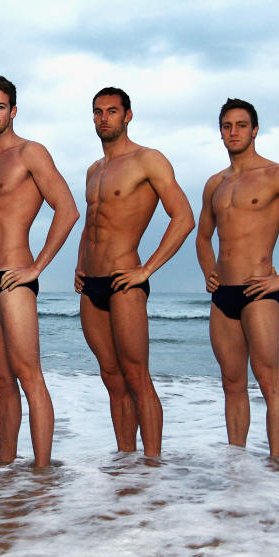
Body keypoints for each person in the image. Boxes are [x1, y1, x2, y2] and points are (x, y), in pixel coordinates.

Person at [196, 98, 279, 458]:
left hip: (259, 291)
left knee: (270, 382)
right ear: (220, 133)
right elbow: (203, 236)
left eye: (241, 125)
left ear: (255, 130)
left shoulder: (278, 175)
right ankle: (237, 466)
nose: (234, 132)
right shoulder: (215, 183)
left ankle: (276, 469)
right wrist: (209, 270)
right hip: (222, 295)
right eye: (227, 126)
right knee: (232, 384)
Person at [75, 87, 194, 457]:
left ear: (128, 115)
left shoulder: (148, 159)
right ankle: (126, 462)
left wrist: (146, 269)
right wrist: (80, 264)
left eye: (111, 111)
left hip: (125, 279)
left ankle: (153, 465)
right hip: (91, 284)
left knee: (137, 376)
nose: (103, 118)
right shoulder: (94, 171)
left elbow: (184, 217)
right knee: (111, 378)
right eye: (98, 112)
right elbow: (92, 224)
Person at [0, 75, 79, 467]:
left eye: (0, 106)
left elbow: (67, 209)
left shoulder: (30, 153)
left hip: (15, 277)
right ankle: (5, 468)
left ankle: (41, 472)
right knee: (1, 382)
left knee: (29, 376)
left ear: (13, 111)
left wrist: (36, 267)